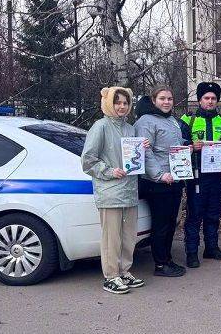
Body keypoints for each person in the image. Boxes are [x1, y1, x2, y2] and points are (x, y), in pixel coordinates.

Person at [81, 86, 147, 294]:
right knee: (111, 237)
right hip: (110, 191)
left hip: (129, 190)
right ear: (109, 103)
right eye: (117, 102)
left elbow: (133, 159)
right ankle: (111, 275)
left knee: (128, 235)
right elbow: (88, 160)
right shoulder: (100, 127)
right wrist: (109, 171)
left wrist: (143, 148)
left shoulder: (130, 129)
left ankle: (124, 270)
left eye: (125, 103)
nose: (122, 106)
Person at [135, 85, 187, 277]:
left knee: (170, 221)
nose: (166, 102)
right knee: (161, 224)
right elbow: (145, 151)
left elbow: (173, 146)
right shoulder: (146, 121)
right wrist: (159, 175)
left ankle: (167, 259)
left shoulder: (171, 120)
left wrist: (185, 148)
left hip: (174, 178)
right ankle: (160, 264)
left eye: (170, 99)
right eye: (162, 99)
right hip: (157, 182)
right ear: (154, 100)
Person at [180, 82, 221, 268]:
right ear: (199, 100)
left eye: (213, 98)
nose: (210, 101)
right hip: (196, 175)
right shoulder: (188, 120)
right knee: (195, 214)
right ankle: (191, 252)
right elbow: (179, 144)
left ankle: (211, 248)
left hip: (217, 176)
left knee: (213, 213)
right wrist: (191, 146)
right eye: (206, 98)